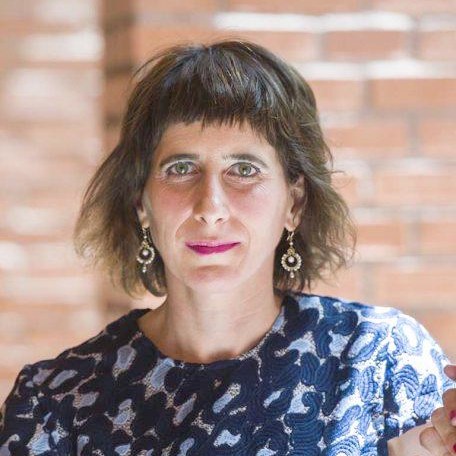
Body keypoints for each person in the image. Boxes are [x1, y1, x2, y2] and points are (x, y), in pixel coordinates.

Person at [0, 39, 455, 456]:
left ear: (294, 202)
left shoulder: (380, 360)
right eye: (181, 169)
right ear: (141, 203)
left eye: (244, 169)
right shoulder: (56, 401)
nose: (211, 207)